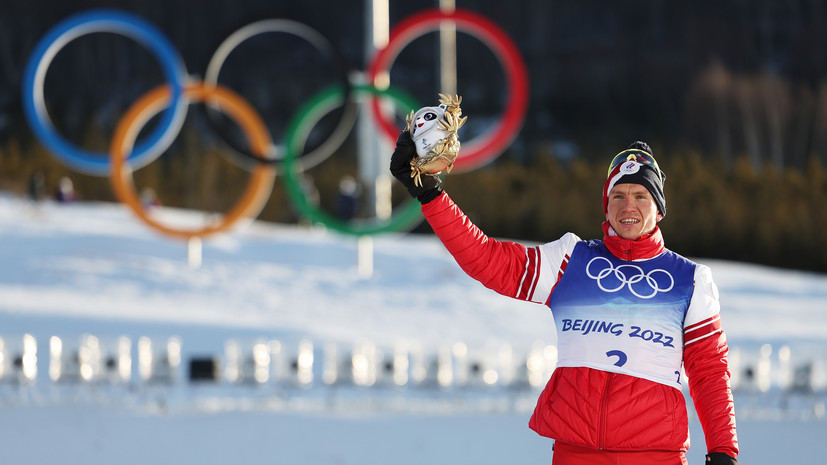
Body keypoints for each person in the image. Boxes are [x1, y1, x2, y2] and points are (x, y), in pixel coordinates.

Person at [390, 133, 738, 465]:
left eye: (641, 196)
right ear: (605, 205)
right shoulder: (571, 259)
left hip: (655, 455)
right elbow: (487, 259)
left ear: (659, 209)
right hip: (576, 453)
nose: (627, 205)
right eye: (618, 195)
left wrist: (723, 449)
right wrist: (431, 195)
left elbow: (709, 372)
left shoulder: (690, 279)